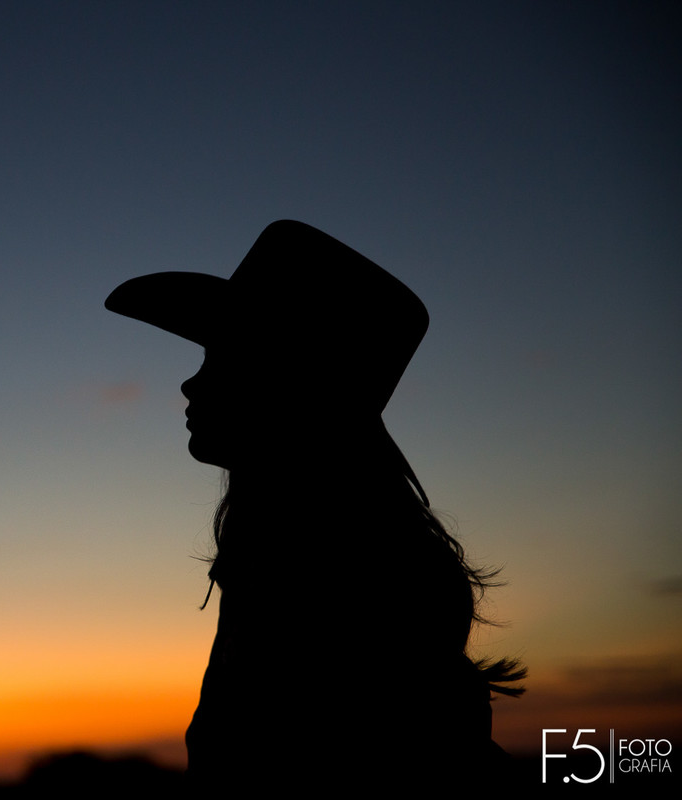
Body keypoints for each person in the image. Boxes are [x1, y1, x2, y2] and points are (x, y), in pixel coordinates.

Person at [105, 221, 523, 790]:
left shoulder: (337, 575)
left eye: (221, 360)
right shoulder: (286, 556)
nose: (189, 384)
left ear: (283, 384)